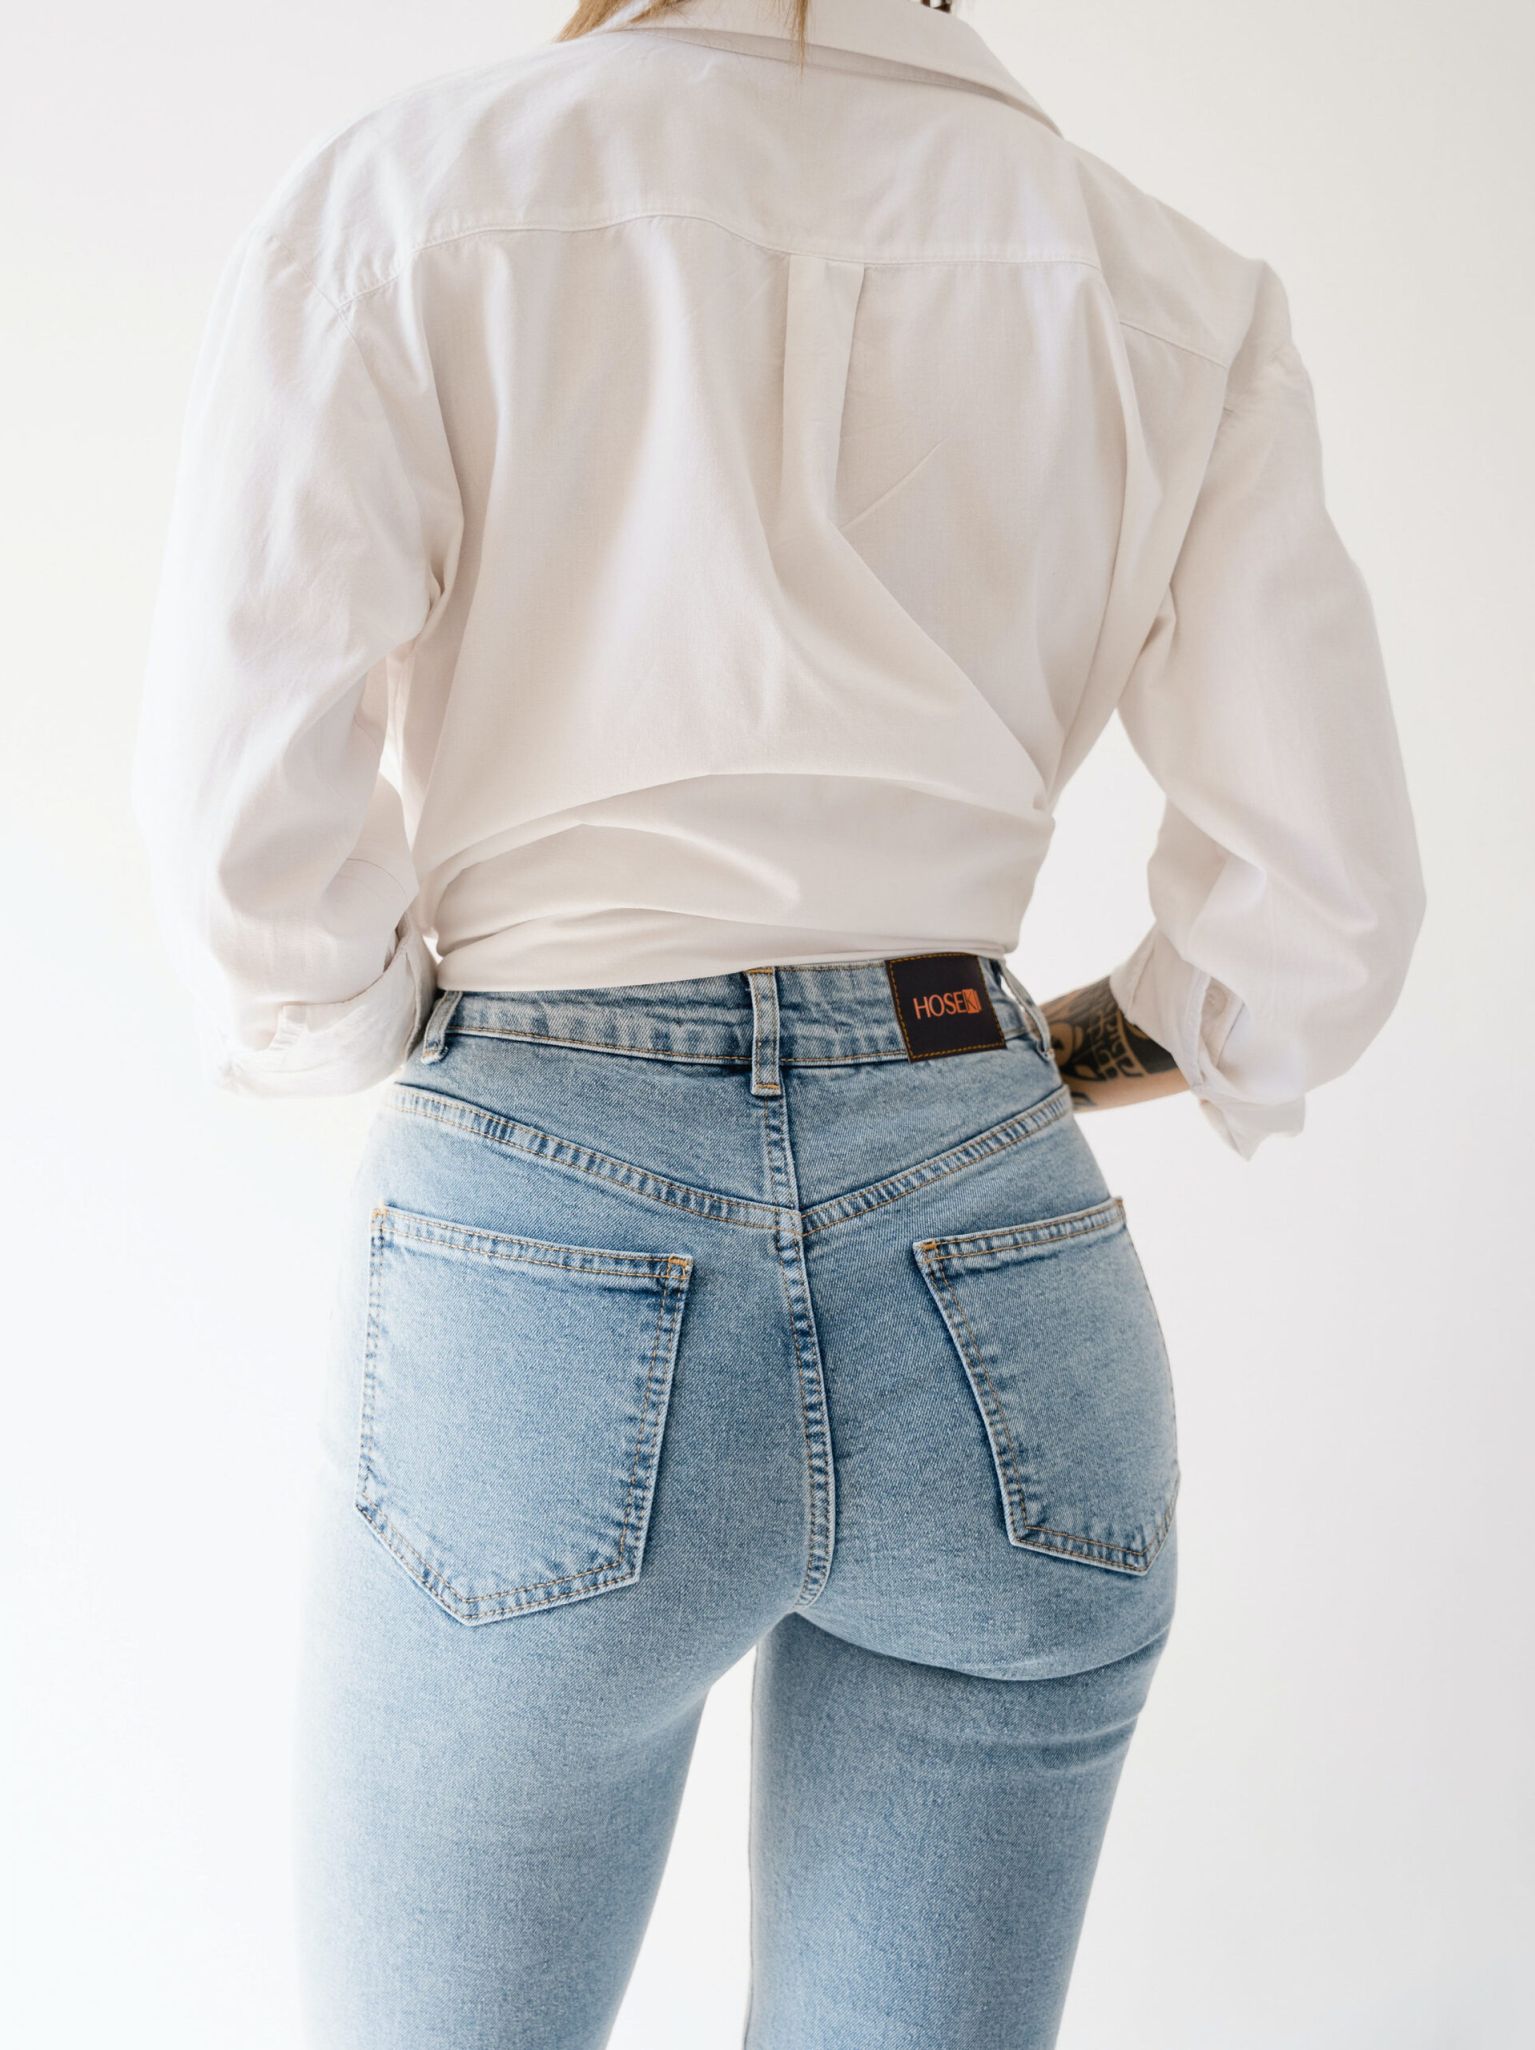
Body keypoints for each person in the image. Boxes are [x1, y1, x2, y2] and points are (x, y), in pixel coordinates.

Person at [129, 1, 1427, 2043]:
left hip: (546, 1249)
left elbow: (249, 865)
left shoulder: (404, 208)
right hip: (994, 1223)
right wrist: (1045, 1058)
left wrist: (439, 1042)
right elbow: (1325, 915)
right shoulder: (1168, 287)